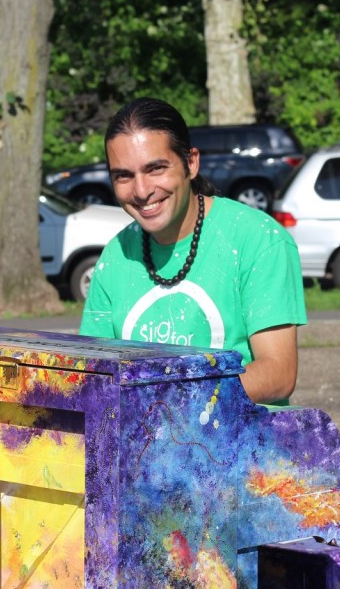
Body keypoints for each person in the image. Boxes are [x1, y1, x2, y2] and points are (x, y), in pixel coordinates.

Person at [79, 97, 307, 404]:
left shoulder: (259, 239)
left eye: (155, 168)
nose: (142, 190)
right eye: (124, 175)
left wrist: (170, 399)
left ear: (191, 163)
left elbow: (278, 374)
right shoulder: (115, 257)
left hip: (245, 434)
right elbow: (93, 377)